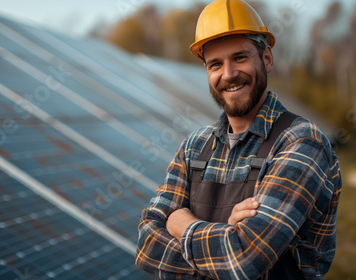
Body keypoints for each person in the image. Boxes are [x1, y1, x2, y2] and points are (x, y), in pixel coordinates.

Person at [135, 0, 342, 279]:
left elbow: (244, 260)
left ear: (266, 58)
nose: (229, 74)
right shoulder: (194, 147)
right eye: (215, 64)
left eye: (240, 58)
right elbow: (147, 246)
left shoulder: (301, 142)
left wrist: (180, 223)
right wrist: (227, 236)